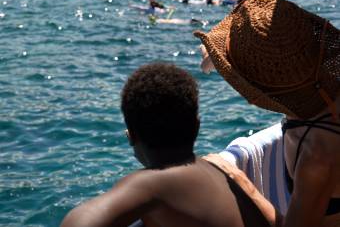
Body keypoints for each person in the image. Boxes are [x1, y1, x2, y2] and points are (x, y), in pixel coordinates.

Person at [61, 63, 279, 227]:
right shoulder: (218, 173)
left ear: (131, 136)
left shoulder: (152, 183)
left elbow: (78, 222)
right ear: (196, 127)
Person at [194, 0, 340, 227]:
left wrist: (235, 177)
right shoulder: (324, 98)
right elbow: (277, 49)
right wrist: (217, 53)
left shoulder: (318, 155)